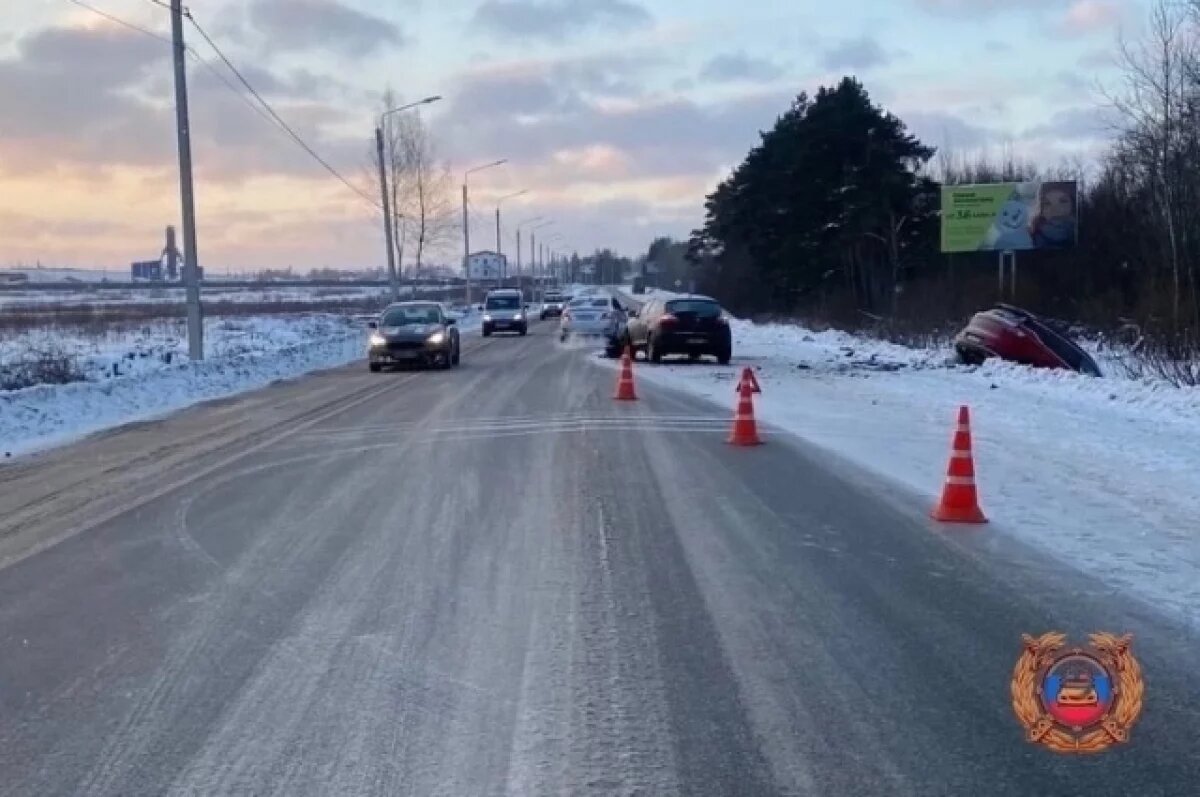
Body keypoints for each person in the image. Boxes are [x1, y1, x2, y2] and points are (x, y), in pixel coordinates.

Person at [1030, 182, 1077, 249]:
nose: (1055, 209)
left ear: (1073, 205)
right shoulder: (1030, 239)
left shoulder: (1082, 234)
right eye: (1047, 203)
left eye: (1063, 201)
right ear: (1041, 210)